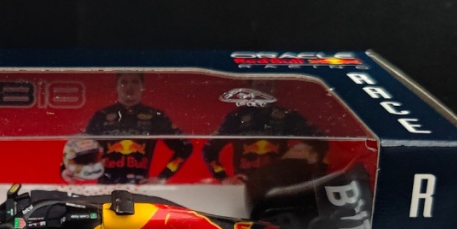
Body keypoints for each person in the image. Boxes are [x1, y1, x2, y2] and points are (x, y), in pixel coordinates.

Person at [63, 72, 193, 184]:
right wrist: (65, 168)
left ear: (142, 86)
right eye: (124, 82)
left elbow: (185, 147)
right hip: (105, 186)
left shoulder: (155, 116)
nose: (129, 87)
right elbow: (79, 145)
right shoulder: (101, 115)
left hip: (140, 187)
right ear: (117, 86)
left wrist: (162, 177)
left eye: (135, 82)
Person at [202, 90, 327, 183]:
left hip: (278, 183)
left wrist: (316, 172)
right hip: (245, 184)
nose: (261, 88)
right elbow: (209, 150)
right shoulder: (236, 118)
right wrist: (223, 177)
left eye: (268, 83)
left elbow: (320, 141)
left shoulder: (287, 116)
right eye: (256, 83)